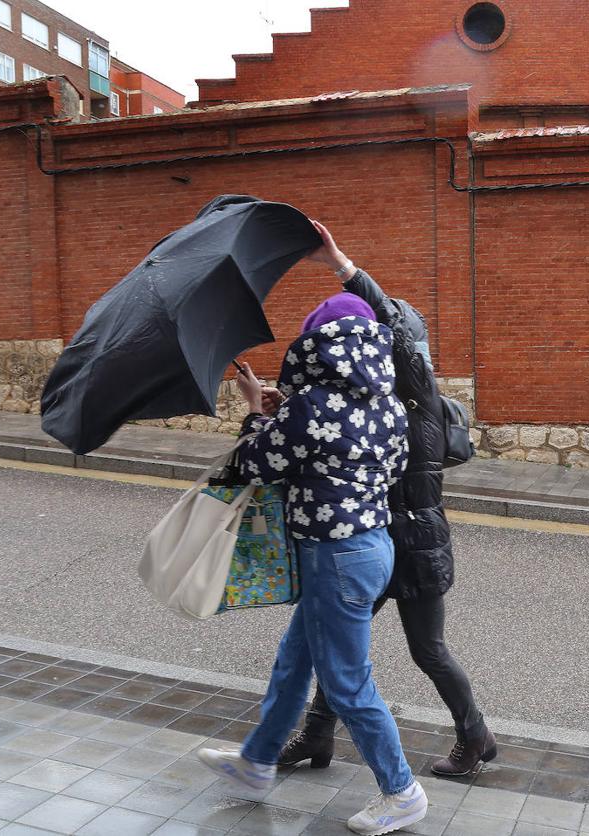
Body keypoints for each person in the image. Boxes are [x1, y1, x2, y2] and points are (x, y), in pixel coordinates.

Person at [195, 292, 428, 836]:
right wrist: (289, 412)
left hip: (335, 556)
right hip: (372, 547)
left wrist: (255, 410)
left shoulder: (314, 407)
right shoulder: (389, 404)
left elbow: (252, 464)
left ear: (318, 346)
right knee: (295, 660)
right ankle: (257, 763)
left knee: (347, 685)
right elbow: (374, 466)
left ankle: (401, 792)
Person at [277, 220, 496, 777]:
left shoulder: (419, 396)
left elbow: (395, 329)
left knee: (427, 651)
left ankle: (475, 737)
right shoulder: (371, 395)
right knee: (337, 645)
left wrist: (343, 268)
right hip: (373, 537)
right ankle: (317, 737)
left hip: (413, 542)